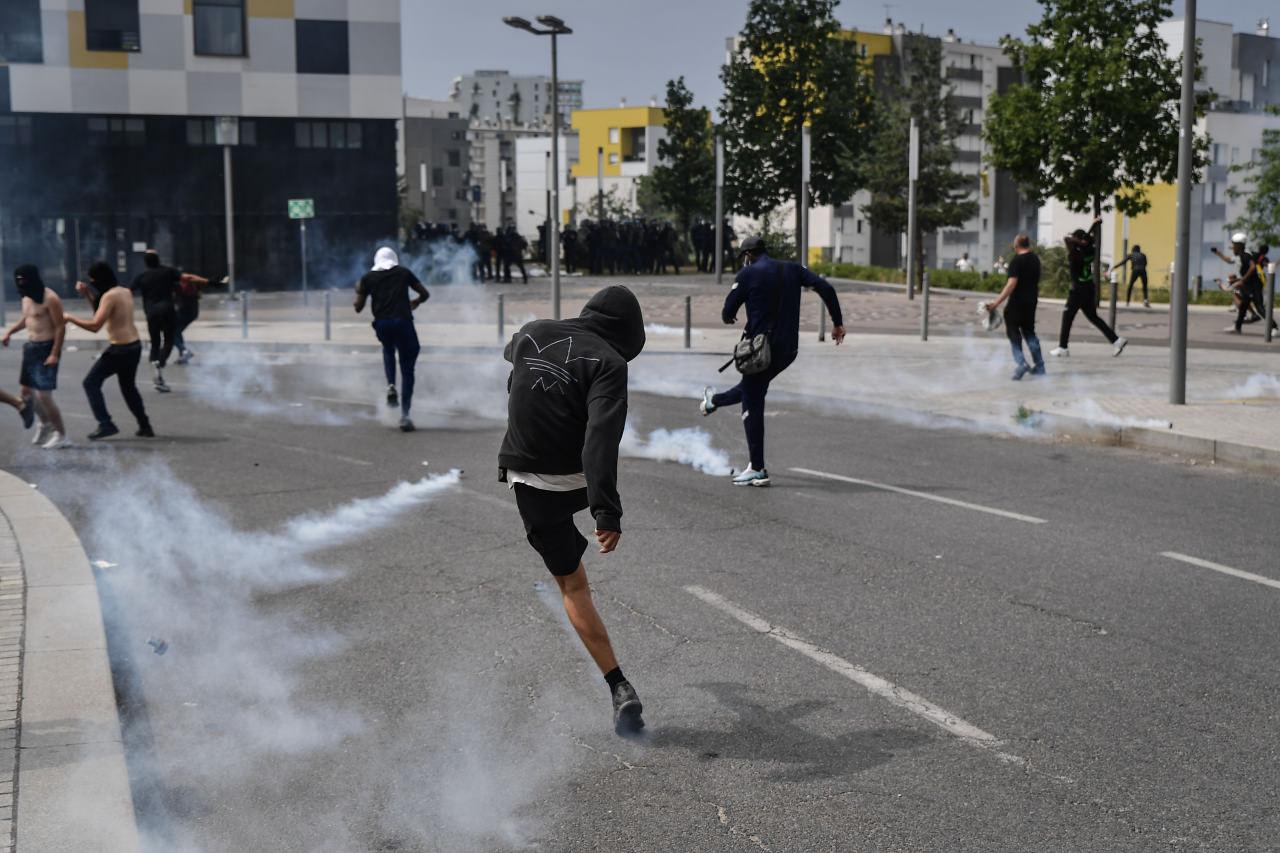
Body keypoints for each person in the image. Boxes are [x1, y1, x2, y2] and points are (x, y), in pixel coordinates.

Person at [498, 285, 647, 736]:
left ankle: (617, 684)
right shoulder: (610, 363)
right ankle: (619, 688)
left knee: (572, 586)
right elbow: (601, 440)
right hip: (576, 481)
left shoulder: (532, 332)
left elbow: (512, 353)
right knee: (589, 454)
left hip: (529, 482)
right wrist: (606, 512)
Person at [699, 236, 846, 486]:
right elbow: (826, 288)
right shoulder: (792, 268)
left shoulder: (747, 275)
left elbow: (727, 312)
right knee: (753, 388)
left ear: (747, 255)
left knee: (752, 399)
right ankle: (714, 401)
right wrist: (837, 323)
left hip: (759, 351)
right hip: (788, 349)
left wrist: (731, 315)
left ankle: (757, 468)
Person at [65, 262, 154, 441]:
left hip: (120, 349)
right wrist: (87, 294)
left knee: (90, 383)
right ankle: (145, 426)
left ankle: (105, 423)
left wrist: (69, 317)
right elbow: (101, 313)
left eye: (93, 281)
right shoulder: (124, 291)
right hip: (134, 346)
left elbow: (95, 326)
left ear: (100, 279)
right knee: (129, 388)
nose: (92, 284)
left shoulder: (109, 296)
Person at [354, 246, 429, 432]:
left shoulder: (368, 278)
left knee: (388, 349)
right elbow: (425, 293)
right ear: (394, 259)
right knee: (407, 367)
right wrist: (416, 302)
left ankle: (390, 385)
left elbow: (358, 307)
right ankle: (405, 416)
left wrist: (360, 288)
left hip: (382, 324)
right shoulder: (403, 272)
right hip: (403, 322)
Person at [3, 265, 66, 448]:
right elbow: (28, 319)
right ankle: (45, 423)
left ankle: (61, 434)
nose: (21, 284)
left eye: (24, 280)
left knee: (44, 396)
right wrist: (10, 332)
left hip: (47, 348)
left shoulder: (50, 298)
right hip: (31, 348)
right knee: (26, 393)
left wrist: (54, 353)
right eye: (19, 280)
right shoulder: (26, 298)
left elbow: (60, 327)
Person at [1051, 217, 1127, 357]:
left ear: (1079, 240)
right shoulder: (1090, 250)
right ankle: (1116, 340)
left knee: (1067, 316)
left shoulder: (1075, 253)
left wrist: (1087, 232)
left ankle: (1063, 347)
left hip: (1078, 290)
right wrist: (1092, 227)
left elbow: (1067, 239)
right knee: (1093, 317)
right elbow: (1085, 240)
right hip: (1089, 288)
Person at [132, 250, 207, 391]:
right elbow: (188, 278)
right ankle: (160, 364)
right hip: (168, 311)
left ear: (146, 263)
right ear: (158, 260)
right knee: (168, 341)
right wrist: (209, 281)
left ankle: (157, 370)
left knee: (155, 343)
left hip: (151, 313)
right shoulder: (168, 272)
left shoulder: (141, 276)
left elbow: (127, 291)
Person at [983, 234, 1044, 381]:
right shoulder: (1035, 259)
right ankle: (1040, 366)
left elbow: (1011, 284)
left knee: (1014, 335)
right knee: (1030, 333)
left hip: (1016, 303)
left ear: (1016, 246)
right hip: (1031, 302)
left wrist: (996, 303)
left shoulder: (1016, 261)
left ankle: (1021, 363)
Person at [1211, 235, 1274, 334]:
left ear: (1240, 245)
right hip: (1248, 286)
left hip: (1254, 286)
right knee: (1243, 307)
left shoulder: (1245, 255)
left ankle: (1275, 328)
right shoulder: (1239, 256)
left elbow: (1253, 267)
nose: (1233, 247)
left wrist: (1242, 280)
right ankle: (1237, 327)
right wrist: (1218, 253)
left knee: (1259, 308)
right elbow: (1229, 260)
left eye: (1234, 245)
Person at [173, 267, 212, 365]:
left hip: (184, 311)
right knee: (177, 332)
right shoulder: (194, 284)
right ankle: (183, 355)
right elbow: (199, 296)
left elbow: (175, 298)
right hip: (193, 312)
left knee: (172, 333)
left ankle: (184, 351)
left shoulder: (178, 285)